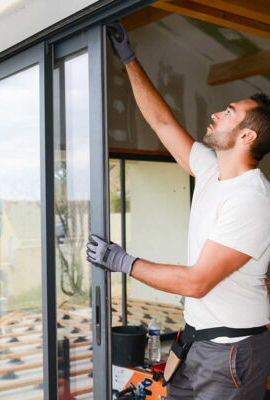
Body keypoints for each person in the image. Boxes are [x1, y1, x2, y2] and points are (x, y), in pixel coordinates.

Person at [86, 21, 270, 399]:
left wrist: (124, 262)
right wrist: (129, 59)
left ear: (247, 136)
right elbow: (162, 121)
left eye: (229, 113)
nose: (217, 113)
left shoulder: (251, 199)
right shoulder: (210, 169)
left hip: (230, 354)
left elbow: (196, 282)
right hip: (194, 342)